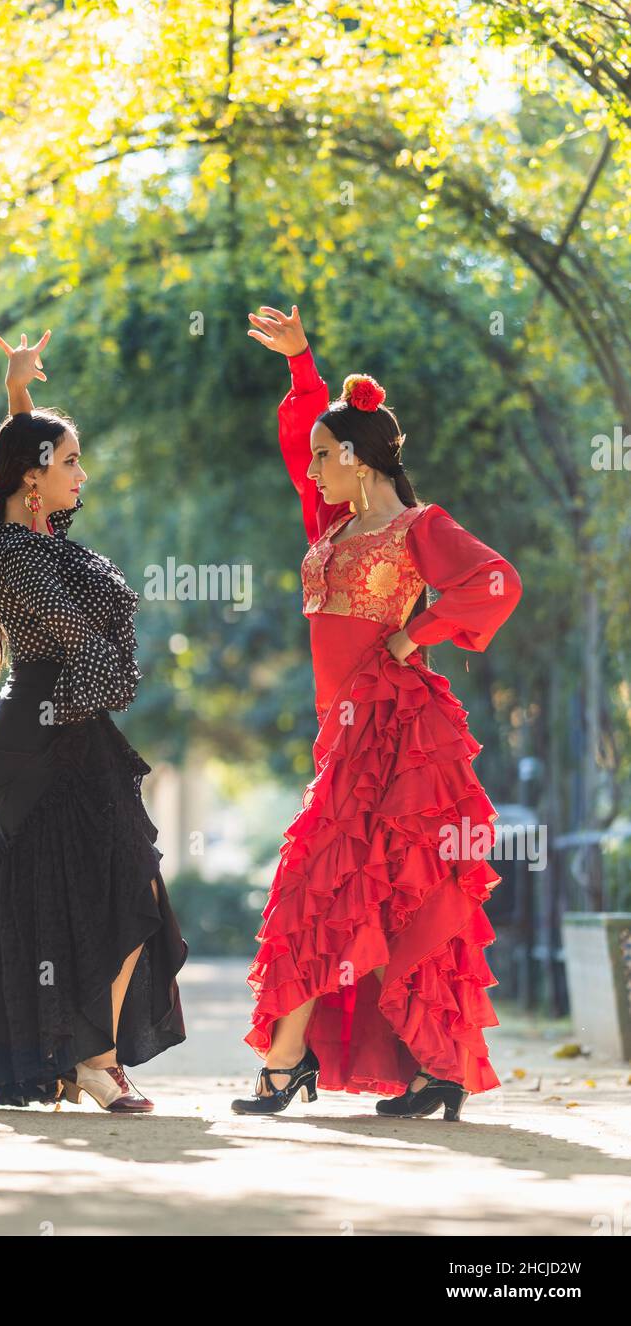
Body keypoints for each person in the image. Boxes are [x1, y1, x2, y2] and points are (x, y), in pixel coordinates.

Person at [0, 329, 187, 1113]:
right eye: (71, 461)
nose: (82, 473)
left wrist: (18, 393)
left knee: (17, 901)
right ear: (33, 478)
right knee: (127, 888)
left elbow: (16, 465)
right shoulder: (16, 553)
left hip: (45, 727)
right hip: (42, 735)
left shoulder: (29, 533)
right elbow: (78, 642)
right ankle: (92, 1059)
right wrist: (114, 676)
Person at [232, 305, 522, 1122]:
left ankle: (288, 1065)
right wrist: (302, 369)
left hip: (398, 726)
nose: (314, 471)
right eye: (318, 458)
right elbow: (298, 444)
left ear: (359, 460)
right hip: (347, 732)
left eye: (328, 457)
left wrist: (414, 635)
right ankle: (432, 1070)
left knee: (331, 884)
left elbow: (497, 581)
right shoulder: (332, 524)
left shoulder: (417, 528)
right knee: (369, 890)